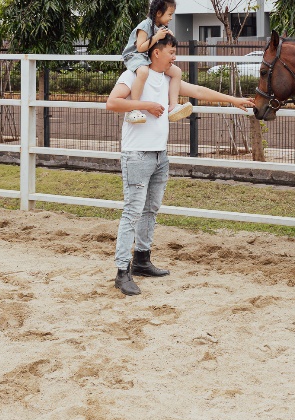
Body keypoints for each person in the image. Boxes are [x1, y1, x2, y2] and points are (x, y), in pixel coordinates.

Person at [105, 32, 255, 296]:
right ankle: (122, 271)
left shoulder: (166, 80)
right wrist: (147, 105)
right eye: (172, 52)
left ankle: (142, 260)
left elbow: (197, 91)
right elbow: (112, 103)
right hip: (137, 154)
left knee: (150, 209)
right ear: (156, 52)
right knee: (132, 212)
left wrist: (233, 100)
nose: (175, 57)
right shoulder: (133, 75)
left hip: (160, 155)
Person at [121, 0, 193, 125]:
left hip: (147, 55)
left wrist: (167, 36)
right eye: (169, 14)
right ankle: (134, 109)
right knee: (143, 72)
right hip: (135, 55)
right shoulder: (144, 25)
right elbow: (140, 47)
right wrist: (156, 37)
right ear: (159, 13)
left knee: (176, 72)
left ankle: (173, 106)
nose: (171, 18)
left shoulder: (159, 27)